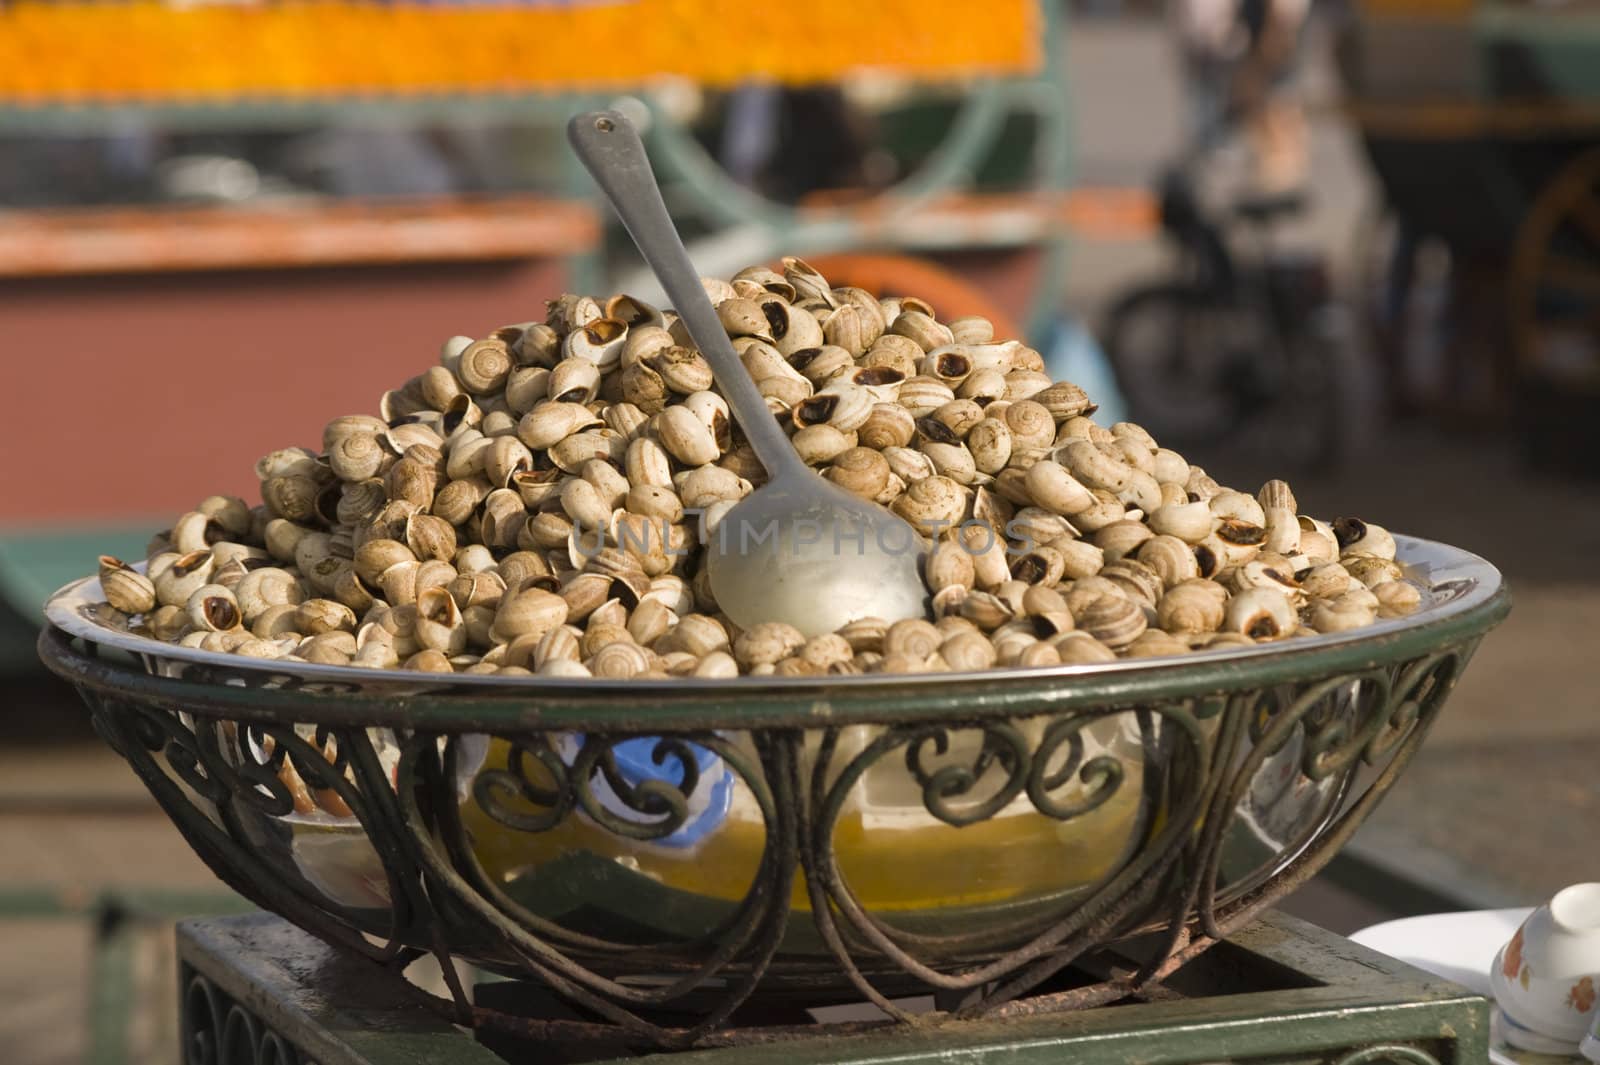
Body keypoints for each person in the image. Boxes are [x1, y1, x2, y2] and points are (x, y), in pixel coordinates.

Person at [1171, 0, 1311, 195]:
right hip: (1231, 47)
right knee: (1227, 114)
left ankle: (1275, 176)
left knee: (1275, 112)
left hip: (1255, 47)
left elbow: (1283, 19)